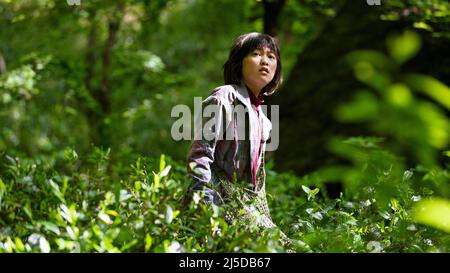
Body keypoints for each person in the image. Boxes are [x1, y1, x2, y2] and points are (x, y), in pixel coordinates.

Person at [185, 32, 293, 248]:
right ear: (238, 63)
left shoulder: (263, 119)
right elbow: (199, 157)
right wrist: (205, 212)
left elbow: (256, 185)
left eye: (271, 57)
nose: (265, 61)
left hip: (244, 209)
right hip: (217, 206)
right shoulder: (224, 98)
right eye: (256, 53)